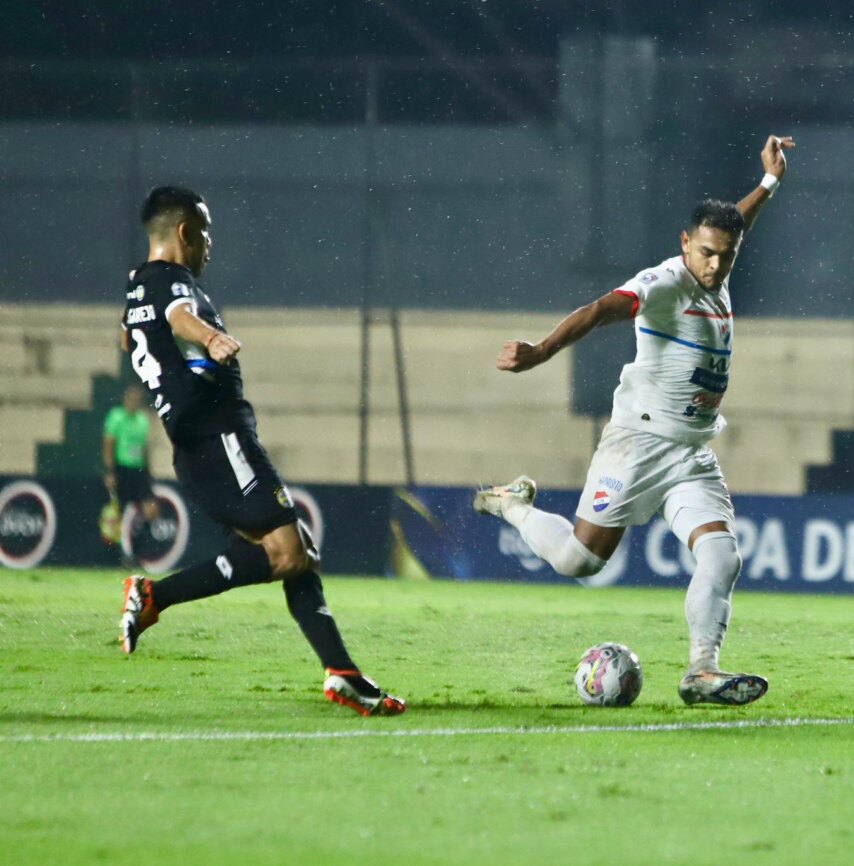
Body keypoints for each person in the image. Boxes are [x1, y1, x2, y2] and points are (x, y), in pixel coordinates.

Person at [474, 135, 794, 707]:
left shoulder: (717, 266)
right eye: (706, 253)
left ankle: (702, 670)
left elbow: (734, 226)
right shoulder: (667, 283)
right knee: (579, 560)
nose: (716, 264)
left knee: (722, 555)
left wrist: (768, 183)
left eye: (726, 255)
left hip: (692, 452)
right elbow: (601, 309)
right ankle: (513, 504)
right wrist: (542, 351)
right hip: (639, 443)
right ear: (684, 245)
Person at [116, 186, 404, 716]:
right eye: (204, 233)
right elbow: (181, 317)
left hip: (200, 442)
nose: (209, 245)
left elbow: (133, 336)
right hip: (218, 435)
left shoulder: (138, 285)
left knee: (295, 552)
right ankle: (156, 598)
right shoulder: (172, 282)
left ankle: (341, 672)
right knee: (292, 553)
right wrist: (208, 339)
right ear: (184, 233)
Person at [102, 384, 161, 550]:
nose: (135, 401)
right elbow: (108, 445)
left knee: (150, 509)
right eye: (132, 397)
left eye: (138, 398)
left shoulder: (142, 420)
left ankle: (137, 542)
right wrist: (110, 472)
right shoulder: (116, 417)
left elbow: (144, 448)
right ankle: (119, 551)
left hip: (139, 470)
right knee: (118, 511)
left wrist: (148, 471)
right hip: (121, 469)